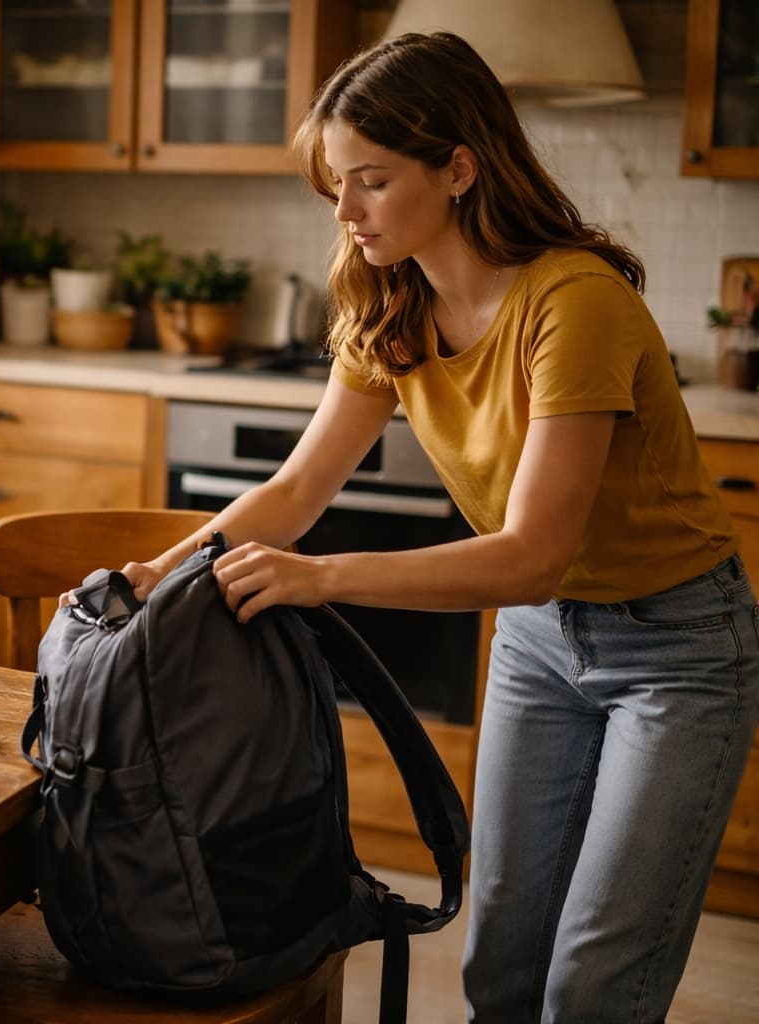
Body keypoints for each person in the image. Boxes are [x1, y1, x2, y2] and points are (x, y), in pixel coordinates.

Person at [110, 32, 759, 1024]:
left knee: (595, 981)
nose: (345, 210)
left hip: (676, 649)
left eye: (370, 180)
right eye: (336, 181)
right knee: (497, 960)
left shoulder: (575, 303)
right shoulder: (388, 299)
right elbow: (296, 489)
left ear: (459, 168)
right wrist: (161, 572)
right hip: (544, 645)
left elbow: (534, 553)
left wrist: (320, 579)